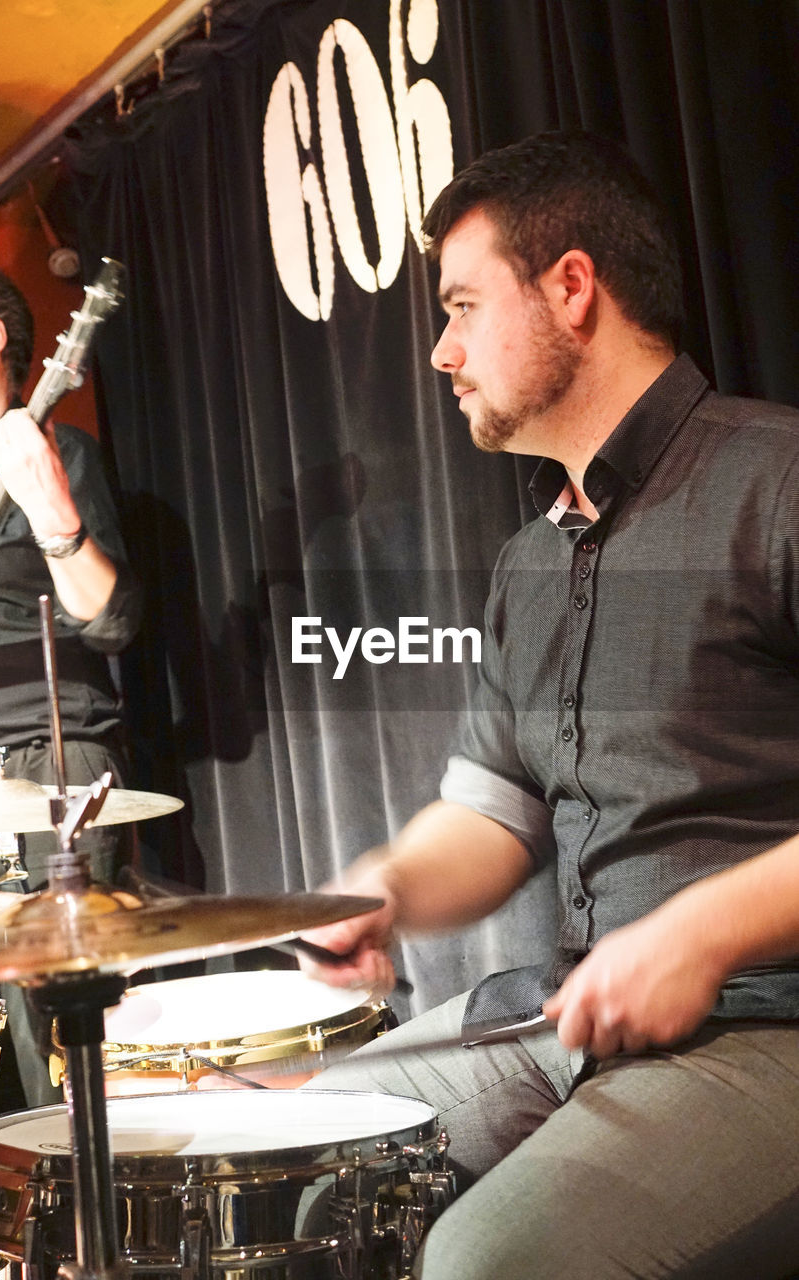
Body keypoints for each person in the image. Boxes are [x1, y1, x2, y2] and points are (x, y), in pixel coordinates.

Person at [301, 133, 799, 1277]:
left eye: (463, 305)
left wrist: (702, 927)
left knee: (486, 1261)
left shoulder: (774, 481)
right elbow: (490, 819)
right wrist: (384, 886)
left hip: (769, 1019)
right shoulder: (528, 563)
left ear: (571, 288)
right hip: (573, 1021)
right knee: (296, 1142)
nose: (440, 350)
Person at [0, 254, 142, 1115]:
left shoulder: (59, 451)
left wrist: (55, 521)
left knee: (60, 1075)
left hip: (44, 781)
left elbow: (112, 619)